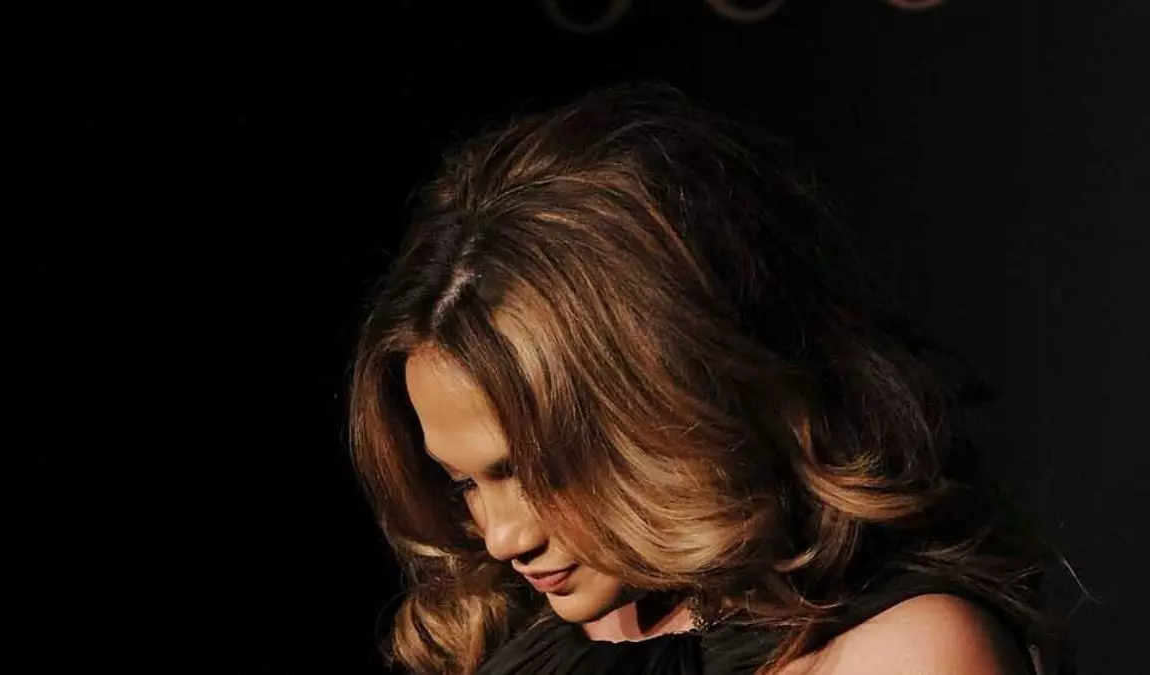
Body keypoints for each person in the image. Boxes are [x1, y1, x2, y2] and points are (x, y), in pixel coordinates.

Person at [348, 83, 1070, 674]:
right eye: (465, 484)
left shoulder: (905, 655)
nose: (502, 536)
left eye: (535, 471)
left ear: (675, 403)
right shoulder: (517, 639)